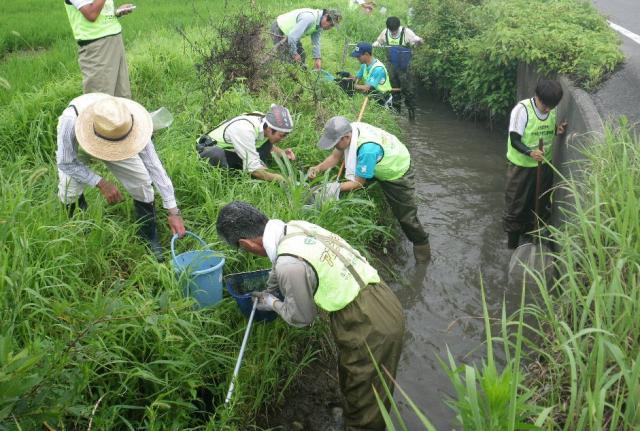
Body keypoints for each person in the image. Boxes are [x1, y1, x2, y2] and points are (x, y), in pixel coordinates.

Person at [216, 201, 405, 431]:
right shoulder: (294, 228)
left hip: (367, 320)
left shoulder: (289, 265)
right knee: (353, 374)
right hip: (378, 294)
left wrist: (271, 302)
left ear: (245, 243)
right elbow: (279, 265)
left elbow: (301, 318)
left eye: (241, 248)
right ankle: (349, 413)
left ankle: (358, 424)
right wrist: (269, 289)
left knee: (368, 394)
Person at [56, 93, 186, 260]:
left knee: (142, 181)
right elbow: (66, 162)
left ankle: (148, 236)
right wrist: (101, 183)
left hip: (116, 137)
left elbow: (154, 167)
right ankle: (81, 229)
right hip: (81, 141)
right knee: (69, 190)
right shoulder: (70, 122)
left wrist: (174, 211)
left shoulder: (131, 123)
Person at [307, 116, 431, 262]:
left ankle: (422, 251)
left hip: (397, 169)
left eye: (335, 143)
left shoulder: (366, 151)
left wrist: (333, 187)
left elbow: (358, 183)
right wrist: (318, 168)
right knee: (355, 181)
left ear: (346, 137)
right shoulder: (350, 130)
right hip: (382, 156)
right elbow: (335, 157)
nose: (334, 146)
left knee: (406, 217)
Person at [503, 79, 567, 249]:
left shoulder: (551, 110)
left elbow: (546, 127)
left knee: (539, 204)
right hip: (521, 168)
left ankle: (531, 239)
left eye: (551, 106)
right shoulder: (522, 110)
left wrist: (556, 130)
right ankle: (512, 247)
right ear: (537, 96)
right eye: (544, 105)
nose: (547, 109)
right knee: (516, 207)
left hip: (544, 167)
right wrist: (530, 152)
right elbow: (515, 139)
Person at [196, 105, 296, 182]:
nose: (283, 139)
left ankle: (245, 168)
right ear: (270, 129)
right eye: (282, 135)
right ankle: (229, 177)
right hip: (208, 151)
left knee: (267, 144)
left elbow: (263, 143)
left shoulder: (264, 123)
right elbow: (254, 169)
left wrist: (282, 153)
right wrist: (283, 179)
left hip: (234, 148)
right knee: (217, 155)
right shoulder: (245, 130)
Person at [64, 0, 135, 98]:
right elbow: (91, 13)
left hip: (115, 41)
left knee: (122, 98)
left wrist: (116, 12)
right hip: (97, 48)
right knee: (100, 101)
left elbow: (99, 10)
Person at [372, 16, 424, 120]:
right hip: (391, 66)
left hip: (405, 68)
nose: (393, 33)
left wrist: (419, 41)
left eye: (395, 31)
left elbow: (418, 43)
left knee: (409, 91)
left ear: (398, 27)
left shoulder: (407, 32)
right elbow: (378, 42)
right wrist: (376, 44)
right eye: (392, 31)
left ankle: (411, 116)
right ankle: (396, 117)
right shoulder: (385, 32)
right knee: (394, 92)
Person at [271, 8, 342, 70]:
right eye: (331, 24)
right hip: (279, 28)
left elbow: (316, 42)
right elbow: (292, 37)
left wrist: (317, 58)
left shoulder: (319, 24)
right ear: (326, 16)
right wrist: (294, 54)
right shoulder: (309, 18)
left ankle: (302, 74)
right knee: (286, 58)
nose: (330, 28)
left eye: (332, 26)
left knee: (302, 56)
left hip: (292, 33)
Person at [344, 42, 393, 107]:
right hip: (372, 97)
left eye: (358, 56)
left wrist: (352, 86)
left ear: (366, 54)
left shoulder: (378, 69)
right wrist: (348, 75)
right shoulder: (364, 65)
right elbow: (356, 79)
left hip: (383, 100)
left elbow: (367, 88)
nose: (357, 58)